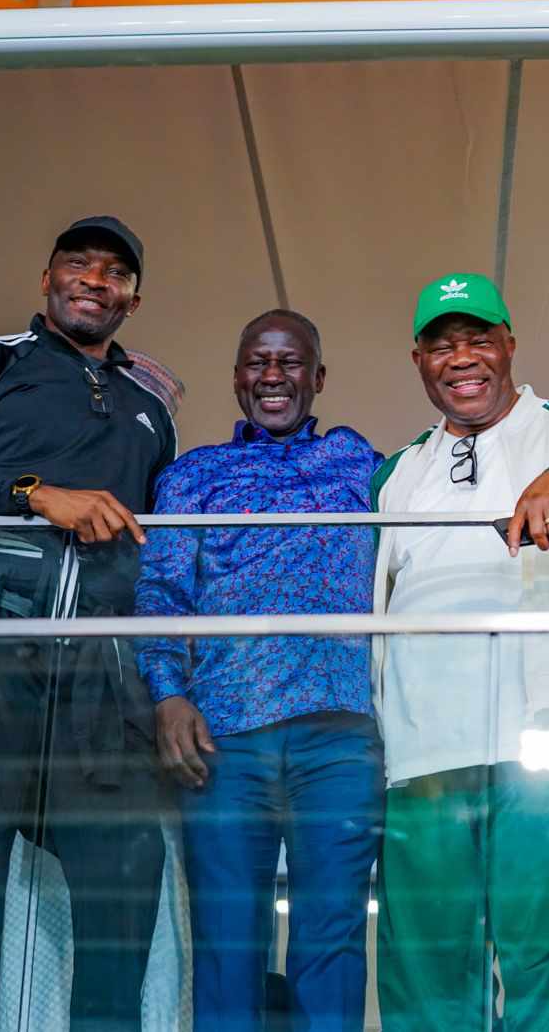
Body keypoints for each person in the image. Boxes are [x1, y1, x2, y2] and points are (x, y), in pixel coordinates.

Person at [0, 216, 176, 1029]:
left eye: (114, 271)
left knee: (123, 893)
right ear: (46, 278)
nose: (94, 278)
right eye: (77, 263)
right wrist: (33, 493)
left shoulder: (151, 409)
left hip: (101, 676)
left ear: (133, 300)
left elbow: (160, 550)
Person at [370, 272, 549, 1031]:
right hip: (423, 755)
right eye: (442, 345)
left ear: (509, 345)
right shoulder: (396, 473)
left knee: (546, 976)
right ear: (418, 361)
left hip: (548, 745)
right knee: (426, 980)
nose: (462, 358)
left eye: (478, 339)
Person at [134, 309, 383, 1032]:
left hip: (339, 739)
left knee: (332, 938)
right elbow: (161, 593)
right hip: (223, 740)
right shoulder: (192, 474)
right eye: (258, 361)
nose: (273, 374)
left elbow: (453, 483)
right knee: (227, 942)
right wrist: (167, 693)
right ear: (238, 377)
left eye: (290, 361)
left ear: (318, 377)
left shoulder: (366, 464)